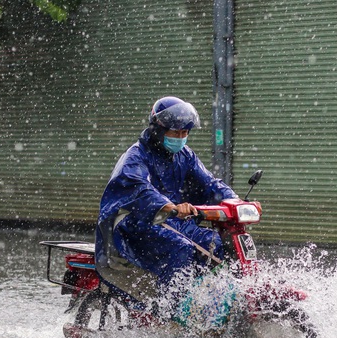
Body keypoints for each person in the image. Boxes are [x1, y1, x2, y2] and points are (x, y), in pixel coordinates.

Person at [95, 96, 238, 287]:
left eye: (185, 133)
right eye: (175, 132)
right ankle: (169, 306)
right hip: (138, 225)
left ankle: (204, 296)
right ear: (158, 129)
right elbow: (140, 188)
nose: (180, 138)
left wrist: (235, 202)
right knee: (181, 248)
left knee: (218, 244)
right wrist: (169, 206)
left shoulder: (185, 155)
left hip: (174, 222)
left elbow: (209, 183)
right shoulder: (136, 156)